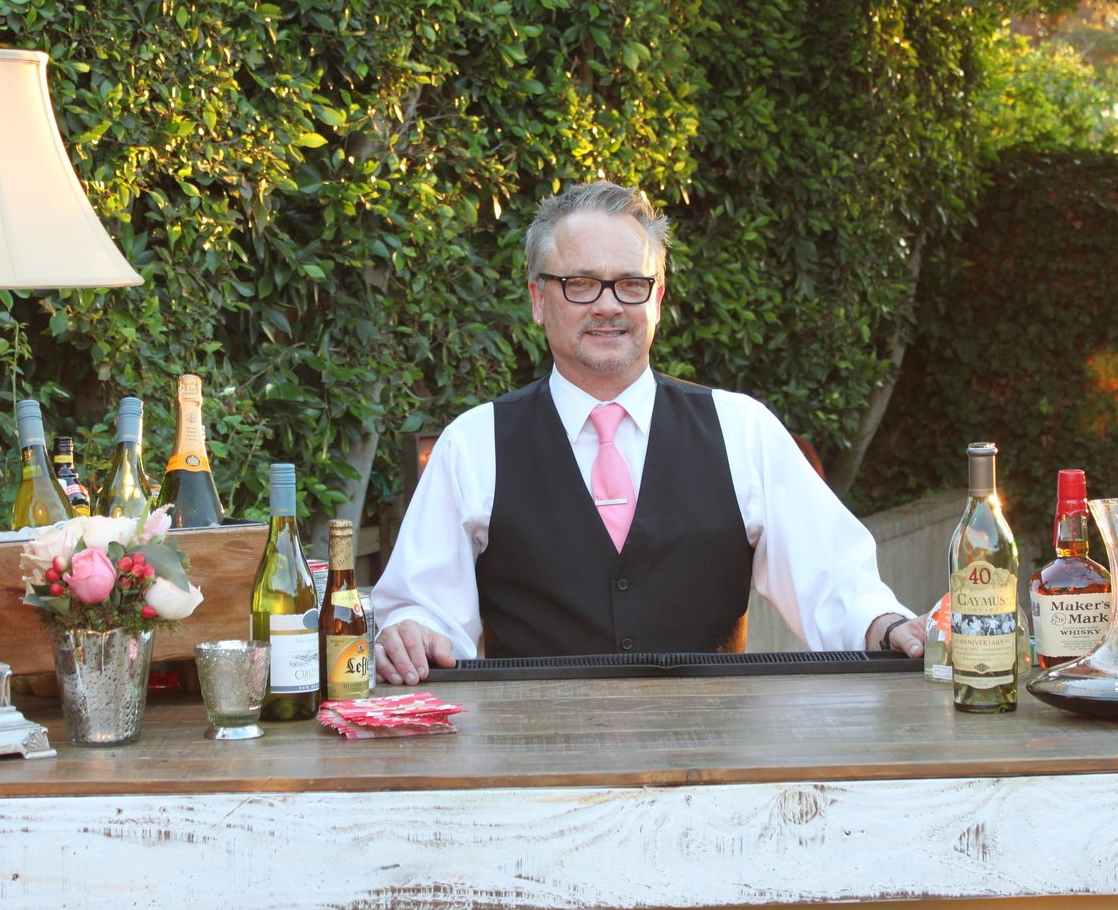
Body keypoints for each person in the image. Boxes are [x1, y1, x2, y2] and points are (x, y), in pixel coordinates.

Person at [373, 181, 926, 684]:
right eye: (581, 284)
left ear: (657, 299)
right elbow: (424, 608)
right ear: (539, 300)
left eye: (631, 284)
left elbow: (836, 582)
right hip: (535, 770)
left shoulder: (742, 430)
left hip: (710, 772)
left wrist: (885, 625)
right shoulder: (473, 444)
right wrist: (414, 631)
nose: (610, 305)